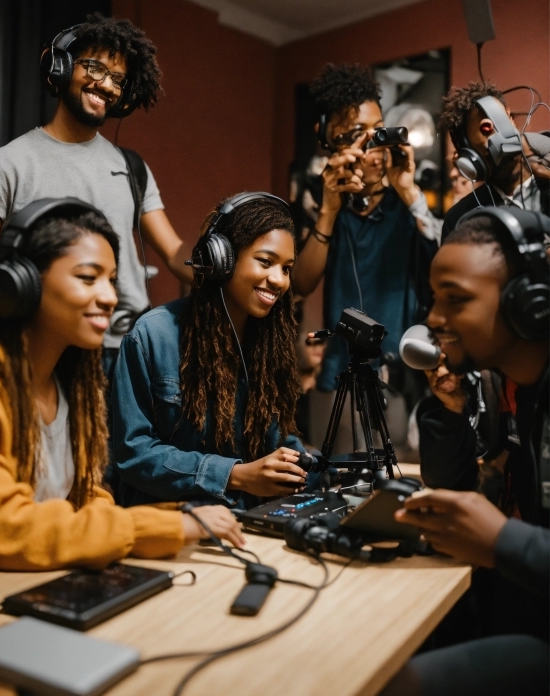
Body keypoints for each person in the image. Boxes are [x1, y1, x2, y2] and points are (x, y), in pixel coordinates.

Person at [0, 200, 242, 571]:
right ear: (21, 282)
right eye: (88, 278)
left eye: (111, 280)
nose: (109, 297)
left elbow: (88, 495)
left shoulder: (73, 381)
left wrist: (171, 522)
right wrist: (149, 527)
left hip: (41, 579)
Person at [365, 207, 549, 696]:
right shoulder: (503, 384)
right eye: (434, 300)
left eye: (456, 300)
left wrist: (503, 541)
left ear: (526, 305)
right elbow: (452, 486)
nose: (435, 320)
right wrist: (450, 412)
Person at [0, 13, 193, 381]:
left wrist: (220, 259)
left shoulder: (132, 167)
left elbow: (175, 252)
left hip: (128, 352)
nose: (106, 85)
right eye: (95, 67)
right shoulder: (9, 164)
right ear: (62, 65)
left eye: (117, 78)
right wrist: (40, 305)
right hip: (50, 349)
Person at [112, 193, 310, 510]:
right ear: (221, 258)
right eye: (265, 261)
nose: (278, 279)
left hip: (251, 524)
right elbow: (133, 453)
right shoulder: (152, 335)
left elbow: (276, 439)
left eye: (286, 269)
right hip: (169, 526)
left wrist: (304, 466)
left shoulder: (270, 344)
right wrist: (235, 475)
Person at [293, 63, 438, 447]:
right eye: (356, 135)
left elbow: (444, 266)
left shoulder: (405, 207)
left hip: (399, 377)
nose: (371, 148)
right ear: (329, 139)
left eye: (377, 132)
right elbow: (302, 283)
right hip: (338, 376)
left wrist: (409, 193)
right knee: (339, 489)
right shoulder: (326, 203)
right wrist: (328, 209)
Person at [440, 80, 550, 240]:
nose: (497, 142)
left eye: (500, 122)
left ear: (509, 118)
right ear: (471, 159)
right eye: (487, 149)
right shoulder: (460, 219)